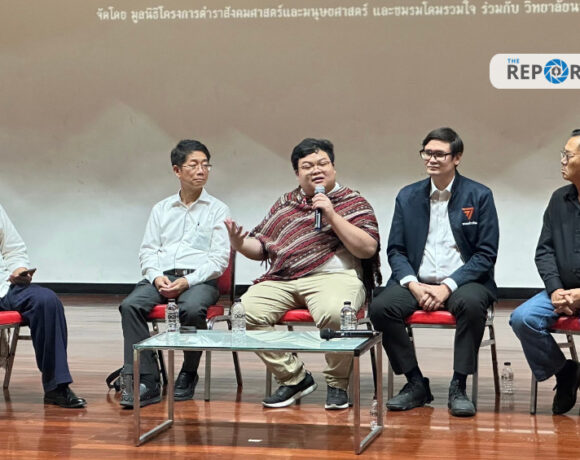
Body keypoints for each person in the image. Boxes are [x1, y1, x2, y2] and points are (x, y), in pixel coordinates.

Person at [225, 138, 381, 410]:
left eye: (322, 163)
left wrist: (331, 215)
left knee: (337, 314)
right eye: (307, 166)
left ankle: (337, 384)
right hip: (284, 278)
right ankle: (294, 377)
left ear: (333, 167)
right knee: (243, 312)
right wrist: (240, 244)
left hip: (335, 277)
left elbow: (367, 249)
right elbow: (262, 247)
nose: (316, 170)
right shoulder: (286, 203)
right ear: (297, 174)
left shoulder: (353, 202)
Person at [370, 127, 499, 417]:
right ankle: (416, 382)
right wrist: (413, 285)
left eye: (439, 154)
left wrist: (448, 286)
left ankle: (459, 385)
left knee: (471, 304)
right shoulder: (407, 196)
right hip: (416, 281)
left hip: (464, 282)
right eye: (427, 153)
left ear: (457, 158)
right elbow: (396, 250)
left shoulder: (479, 195)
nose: (431, 159)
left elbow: (485, 254)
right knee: (380, 308)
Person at [119, 139, 230, 408]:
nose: (201, 170)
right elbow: (148, 250)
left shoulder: (218, 209)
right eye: (194, 165)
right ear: (177, 170)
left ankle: (188, 372)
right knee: (130, 306)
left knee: (191, 309)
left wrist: (187, 281)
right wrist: (156, 276)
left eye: (206, 165)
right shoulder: (161, 209)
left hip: (200, 279)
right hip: (162, 276)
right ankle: (146, 379)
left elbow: (219, 260)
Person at [511, 129, 580, 415]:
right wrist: (555, 290)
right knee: (522, 318)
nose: (562, 161)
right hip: (561, 290)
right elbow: (545, 251)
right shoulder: (558, 199)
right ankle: (565, 372)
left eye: (568, 155)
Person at [0, 204, 86, 408]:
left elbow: (13, 249)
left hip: (4, 287)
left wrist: (19, 270)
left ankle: (56, 387)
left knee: (46, 300)